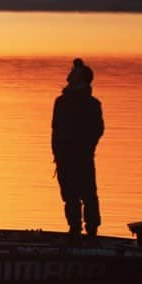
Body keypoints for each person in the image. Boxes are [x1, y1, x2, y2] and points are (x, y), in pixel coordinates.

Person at [51, 58, 104, 240]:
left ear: (81, 79)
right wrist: (58, 154)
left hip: (82, 157)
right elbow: (55, 129)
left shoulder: (92, 104)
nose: (69, 75)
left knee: (88, 195)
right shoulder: (61, 102)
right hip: (64, 158)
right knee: (70, 197)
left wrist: (85, 148)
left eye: (73, 73)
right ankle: (74, 229)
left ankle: (91, 232)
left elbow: (97, 130)